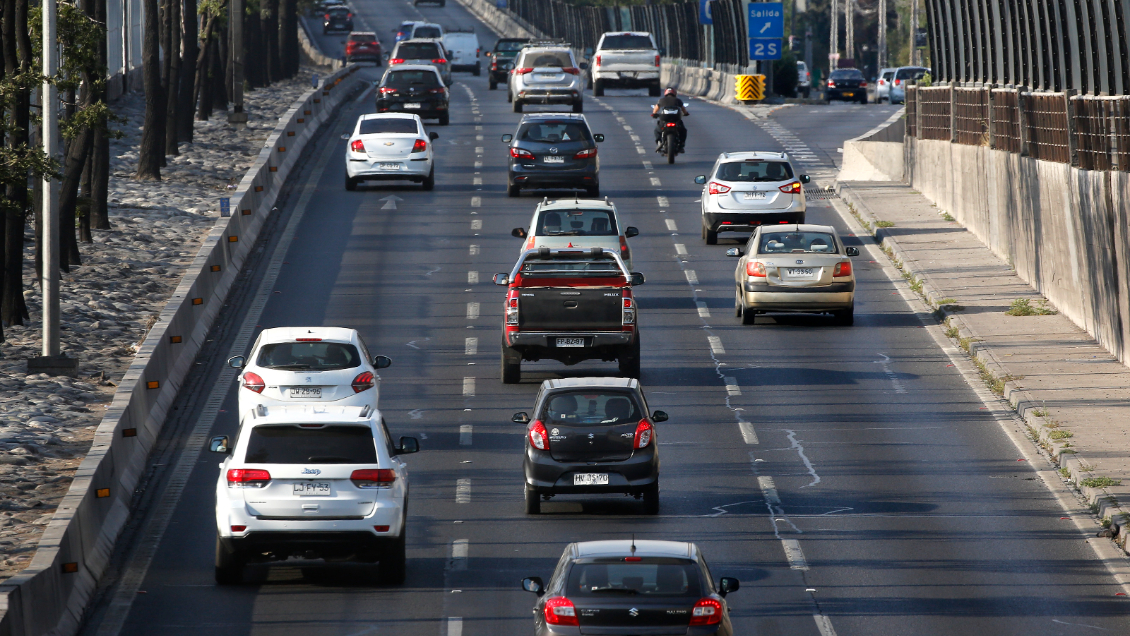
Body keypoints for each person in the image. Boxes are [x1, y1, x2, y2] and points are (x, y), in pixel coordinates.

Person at [651, 87, 689, 152]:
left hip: (664, 119)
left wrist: (654, 114)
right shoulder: (678, 100)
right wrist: (686, 113)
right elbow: (683, 109)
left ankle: (659, 142)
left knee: (657, 130)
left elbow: (656, 107)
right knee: (683, 130)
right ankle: (681, 144)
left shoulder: (661, 100)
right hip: (676, 119)